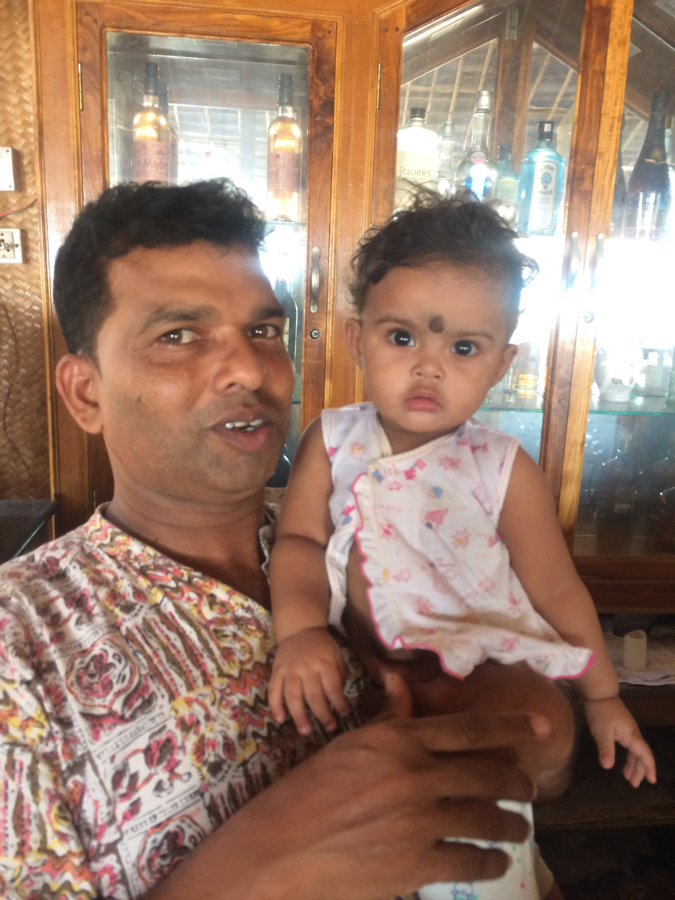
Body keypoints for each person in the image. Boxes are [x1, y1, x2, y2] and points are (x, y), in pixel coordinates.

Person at [0, 179, 561, 900]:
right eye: (178, 336)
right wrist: (270, 862)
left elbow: (544, 736)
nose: (250, 368)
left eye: (264, 331)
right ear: (86, 393)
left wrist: (546, 730)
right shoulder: (22, 644)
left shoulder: (388, 517)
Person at [268, 194, 657, 880]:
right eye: (402, 338)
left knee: (513, 753)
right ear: (357, 339)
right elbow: (298, 541)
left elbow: (555, 588)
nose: (429, 367)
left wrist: (602, 696)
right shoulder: (330, 439)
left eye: (464, 348)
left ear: (502, 364)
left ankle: (492, 873)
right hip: (365, 663)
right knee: (339, 771)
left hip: (481, 670)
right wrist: (298, 633)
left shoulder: (502, 467)